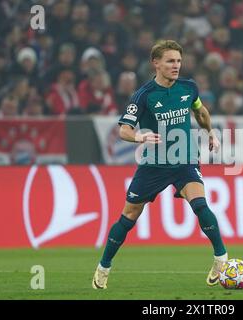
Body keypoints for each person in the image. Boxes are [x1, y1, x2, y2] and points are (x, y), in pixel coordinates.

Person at [92, 40, 228, 289]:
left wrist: (210, 132)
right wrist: (140, 137)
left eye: (178, 61)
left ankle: (221, 258)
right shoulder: (143, 96)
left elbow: (200, 111)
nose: (176, 65)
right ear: (156, 63)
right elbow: (124, 130)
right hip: (153, 164)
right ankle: (104, 266)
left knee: (200, 204)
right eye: (170, 61)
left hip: (184, 159)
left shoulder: (189, 88)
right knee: (129, 216)